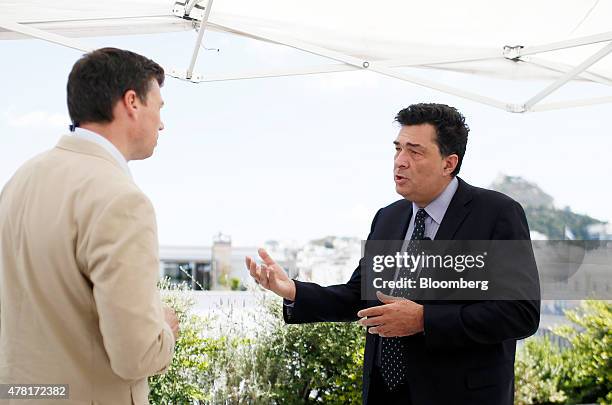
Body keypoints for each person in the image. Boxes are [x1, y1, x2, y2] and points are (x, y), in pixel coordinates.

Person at [246, 103, 540, 405]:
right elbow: (359, 296)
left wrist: (425, 320)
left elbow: (520, 314)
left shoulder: (497, 214)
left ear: (448, 163)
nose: (400, 161)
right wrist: (292, 290)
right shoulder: (387, 218)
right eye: (398, 149)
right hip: (383, 393)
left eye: (415, 152)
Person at [0, 48, 178, 405]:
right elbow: (135, 355)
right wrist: (164, 330)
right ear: (132, 102)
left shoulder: (19, 181)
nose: (161, 123)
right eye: (159, 107)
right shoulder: (122, 201)